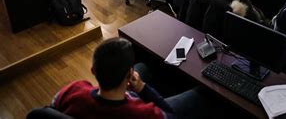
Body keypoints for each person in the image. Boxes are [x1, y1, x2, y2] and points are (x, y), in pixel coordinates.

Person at [52, 37, 213, 118]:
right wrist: (142, 88)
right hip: (136, 102)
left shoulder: (72, 90)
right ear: (129, 74)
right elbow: (169, 114)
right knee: (202, 92)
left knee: (142, 67)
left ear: (93, 70)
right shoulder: (142, 113)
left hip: (115, 97)